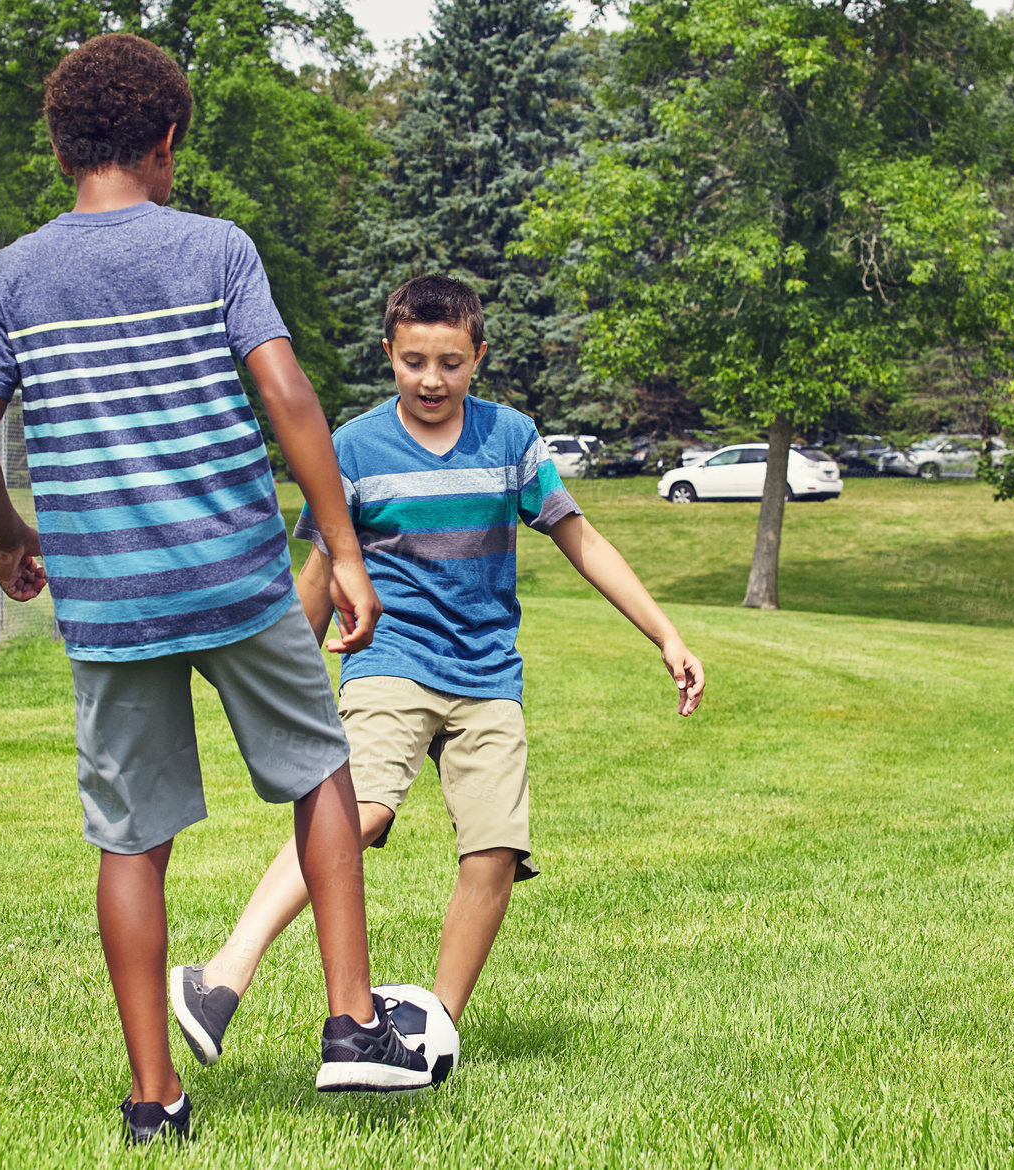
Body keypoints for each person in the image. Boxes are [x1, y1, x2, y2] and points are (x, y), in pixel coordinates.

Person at [0, 33, 428, 1146]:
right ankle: (351, 1026)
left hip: (109, 601)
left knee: (130, 836)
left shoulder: (13, 275)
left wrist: (12, 534)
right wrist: (342, 547)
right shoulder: (214, 250)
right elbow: (288, 396)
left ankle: (153, 1100)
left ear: (63, 146)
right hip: (234, 576)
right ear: (164, 144)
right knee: (319, 773)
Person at [169, 274, 705, 1075]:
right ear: (388, 352)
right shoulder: (350, 448)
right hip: (390, 659)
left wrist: (664, 631)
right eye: (414, 360)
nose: (430, 379)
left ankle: (430, 1035)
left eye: (451, 362)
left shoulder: (511, 439)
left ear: (478, 357)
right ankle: (221, 976)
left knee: (494, 849)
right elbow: (316, 571)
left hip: (489, 673)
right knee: (368, 810)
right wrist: (286, 682)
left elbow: (582, 539)